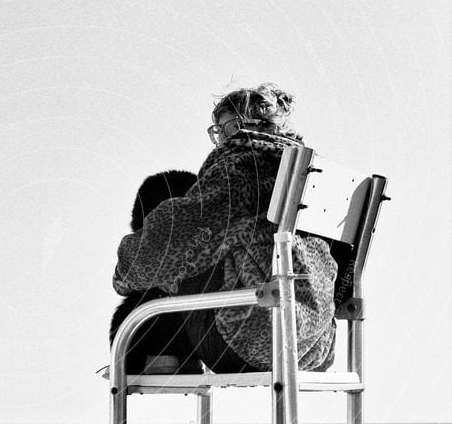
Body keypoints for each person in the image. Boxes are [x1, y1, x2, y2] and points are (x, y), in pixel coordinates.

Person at [112, 83, 337, 374]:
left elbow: (174, 238)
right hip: (312, 347)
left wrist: (125, 273)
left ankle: (149, 354)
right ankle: (160, 353)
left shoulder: (242, 164)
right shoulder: (310, 177)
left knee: (165, 205)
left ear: (245, 125)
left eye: (223, 129)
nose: (219, 140)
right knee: (199, 249)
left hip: (249, 338)